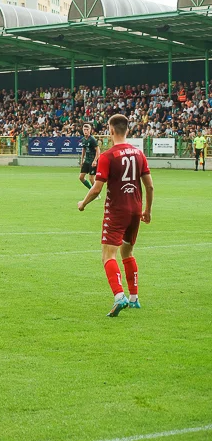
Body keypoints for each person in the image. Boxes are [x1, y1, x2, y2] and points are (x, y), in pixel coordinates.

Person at [78, 114, 154, 317]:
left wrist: (82, 203)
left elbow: (96, 189)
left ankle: (119, 296)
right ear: (127, 130)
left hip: (116, 211)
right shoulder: (139, 153)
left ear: (111, 131)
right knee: (127, 253)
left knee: (108, 255)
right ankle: (134, 298)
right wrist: (147, 210)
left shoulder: (108, 156)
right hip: (135, 210)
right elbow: (150, 186)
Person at [79, 123, 99, 189]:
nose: (86, 131)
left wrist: (95, 161)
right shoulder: (83, 140)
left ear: (90, 130)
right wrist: (82, 160)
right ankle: (91, 190)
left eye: (87, 129)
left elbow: (98, 151)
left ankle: (96, 193)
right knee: (81, 177)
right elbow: (84, 149)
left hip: (92, 161)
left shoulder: (92, 139)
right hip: (87, 160)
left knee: (91, 178)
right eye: (84, 129)